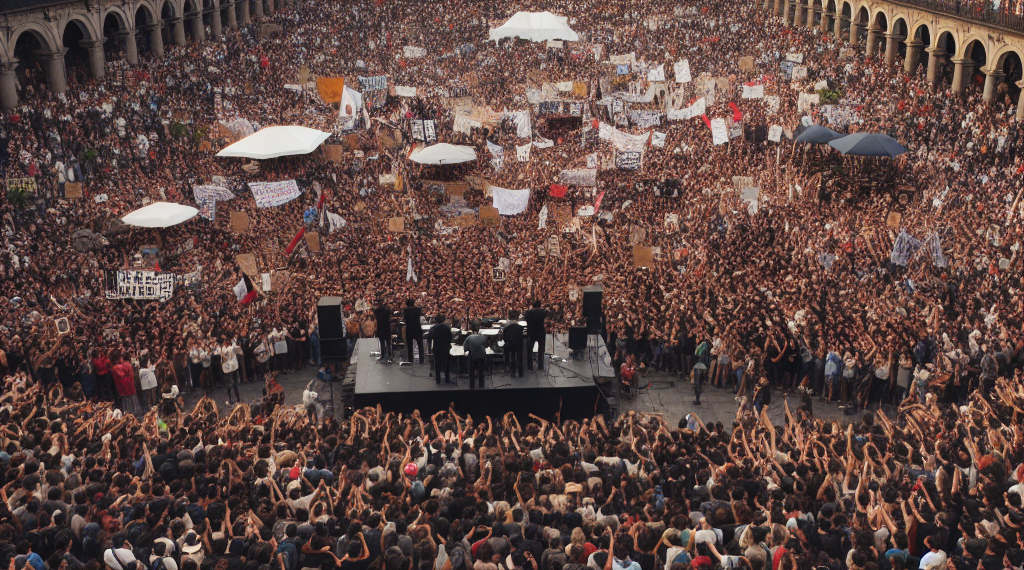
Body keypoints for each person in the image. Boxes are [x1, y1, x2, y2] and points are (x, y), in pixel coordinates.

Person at [523, 300, 547, 371]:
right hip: (541, 332)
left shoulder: (528, 312)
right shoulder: (543, 312)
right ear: (540, 305)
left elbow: (525, 318)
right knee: (541, 349)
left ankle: (530, 365)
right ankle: (540, 365)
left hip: (531, 332)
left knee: (529, 349)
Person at [429, 315, 453, 385]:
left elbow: (431, 336)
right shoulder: (447, 328)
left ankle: (438, 379)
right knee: (446, 363)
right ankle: (447, 379)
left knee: (437, 364)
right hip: (445, 347)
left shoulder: (434, 328)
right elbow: (450, 337)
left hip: (437, 347)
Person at [464, 324, 488, 389]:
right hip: (482, 357)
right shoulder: (483, 337)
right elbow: (486, 346)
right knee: (481, 371)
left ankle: (472, 386)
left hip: (472, 357)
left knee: (471, 371)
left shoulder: (469, 338)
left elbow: (465, 348)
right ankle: (481, 385)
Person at [503, 311, 525, 378]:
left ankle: (512, 370)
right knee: (519, 356)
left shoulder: (506, 328)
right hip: (519, 345)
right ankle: (520, 372)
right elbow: (522, 337)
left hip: (510, 345)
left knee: (512, 356)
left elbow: (505, 339)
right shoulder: (521, 328)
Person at [403, 298, 425, 364]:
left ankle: (410, 359)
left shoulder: (406, 311)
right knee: (420, 344)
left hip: (409, 328)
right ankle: (422, 359)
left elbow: (404, 318)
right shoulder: (418, 310)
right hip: (417, 328)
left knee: (410, 345)